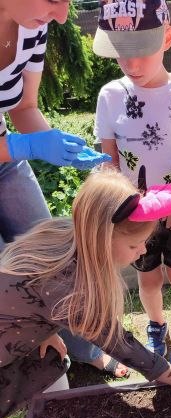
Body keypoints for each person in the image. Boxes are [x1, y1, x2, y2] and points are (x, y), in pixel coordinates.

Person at [0, 169, 171, 418]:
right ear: (102, 237)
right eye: (133, 245)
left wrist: (45, 330)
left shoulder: (70, 232)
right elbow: (119, 343)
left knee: (53, 384)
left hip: (19, 331)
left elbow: (33, 298)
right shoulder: (70, 289)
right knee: (50, 409)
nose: (142, 251)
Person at [0, 0, 122, 378]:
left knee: (56, 255)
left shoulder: (33, 24)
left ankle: (83, 346)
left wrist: (54, 143)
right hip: (10, 151)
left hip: (5, 161)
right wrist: (29, 147)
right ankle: (23, 358)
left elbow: (24, 106)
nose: (64, 15)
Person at [93, 0, 171, 366]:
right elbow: (109, 160)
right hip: (135, 212)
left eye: (143, 51)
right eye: (123, 53)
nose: (132, 64)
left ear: (168, 37)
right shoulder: (109, 96)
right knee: (149, 277)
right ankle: (157, 326)